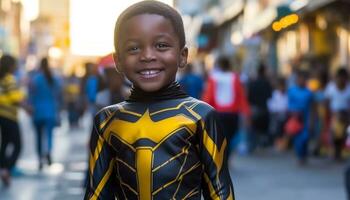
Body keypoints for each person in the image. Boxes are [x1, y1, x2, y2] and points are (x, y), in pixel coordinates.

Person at [84, 1, 234, 199]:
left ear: (182, 55)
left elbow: (220, 191)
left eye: (161, 45)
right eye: (134, 48)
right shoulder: (107, 120)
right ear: (118, 60)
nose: (147, 56)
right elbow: (96, 193)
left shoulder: (201, 117)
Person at [202, 56, 250, 155]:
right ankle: (226, 158)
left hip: (218, 112)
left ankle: (221, 159)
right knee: (229, 137)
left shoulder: (213, 78)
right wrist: (246, 112)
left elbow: (209, 96)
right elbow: (240, 95)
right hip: (232, 113)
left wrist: (202, 111)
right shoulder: (235, 77)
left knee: (219, 138)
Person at [28, 57, 62, 170]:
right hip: (50, 111)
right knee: (49, 135)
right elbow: (58, 95)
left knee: (38, 137)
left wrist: (30, 107)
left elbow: (30, 96)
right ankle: (48, 151)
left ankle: (39, 158)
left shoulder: (35, 79)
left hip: (37, 112)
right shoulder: (54, 78)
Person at [0, 54, 25, 186]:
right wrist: (27, 108)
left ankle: (4, 169)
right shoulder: (10, 79)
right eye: (15, 64)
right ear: (10, 66)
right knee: (18, 145)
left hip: (2, 116)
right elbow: (16, 98)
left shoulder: (2, 78)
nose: (16, 67)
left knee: (4, 144)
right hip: (10, 116)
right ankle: (7, 170)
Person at [287, 70, 314, 165]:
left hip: (306, 119)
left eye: (303, 79)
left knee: (305, 138)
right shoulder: (291, 91)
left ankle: (304, 155)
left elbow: (311, 108)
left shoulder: (309, 93)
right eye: (300, 79)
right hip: (295, 119)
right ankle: (300, 156)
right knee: (298, 139)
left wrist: (311, 121)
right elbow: (288, 105)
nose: (301, 80)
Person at [324, 68, 350, 161]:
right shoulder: (331, 88)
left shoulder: (348, 88)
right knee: (335, 135)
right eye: (340, 78)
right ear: (337, 78)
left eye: (344, 78)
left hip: (346, 115)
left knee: (343, 135)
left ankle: (338, 153)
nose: (342, 80)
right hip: (334, 115)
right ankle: (335, 153)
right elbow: (326, 102)